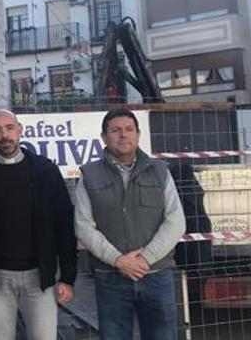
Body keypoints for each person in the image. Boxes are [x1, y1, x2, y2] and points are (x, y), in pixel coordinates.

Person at [0, 108, 77, 340]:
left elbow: (64, 225)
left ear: (20, 130)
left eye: (9, 128)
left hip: (40, 279)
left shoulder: (46, 171)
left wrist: (67, 277)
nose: (4, 135)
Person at [75, 108, 186, 340]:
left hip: (157, 275)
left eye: (128, 129)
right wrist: (119, 260)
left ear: (138, 134)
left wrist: (144, 259)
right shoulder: (89, 175)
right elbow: (84, 226)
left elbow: (176, 221)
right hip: (110, 278)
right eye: (115, 130)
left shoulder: (160, 171)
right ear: (104, 137)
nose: (123, 135)